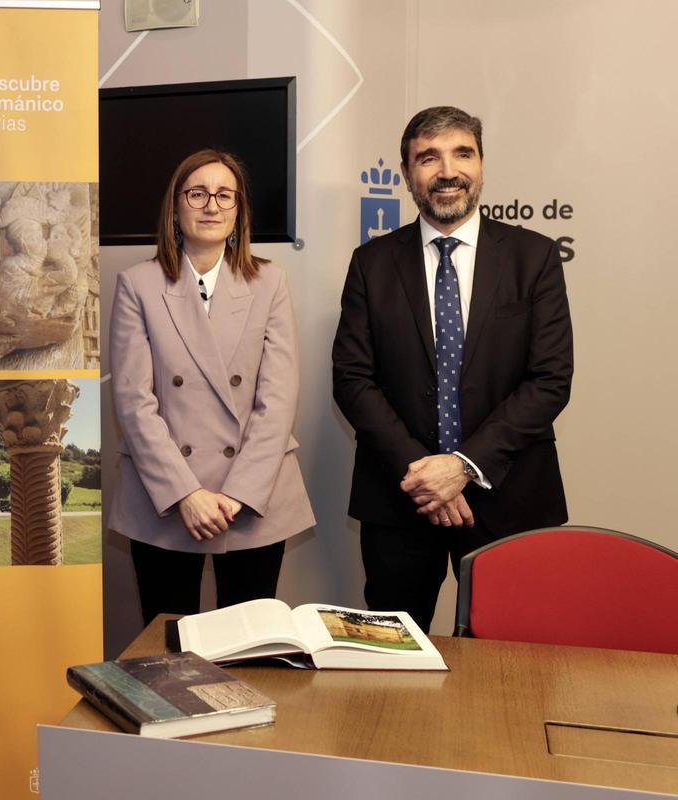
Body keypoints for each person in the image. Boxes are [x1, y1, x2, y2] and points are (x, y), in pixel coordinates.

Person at [332, 106, 573, 631]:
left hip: (509, 498)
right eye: (428, 157)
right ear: (406, 174)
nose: (447, 171)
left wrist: (462, 467)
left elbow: (550, 379)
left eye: (462, 153)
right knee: (394, 663)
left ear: (482, 164)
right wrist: (425, 475)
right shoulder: (370, 264)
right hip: (400, 500)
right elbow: (353, 380)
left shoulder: (533, 258)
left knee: (512, 663)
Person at [108, 149, 315, 624]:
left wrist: (237, 493)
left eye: (225, 195)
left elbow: (278, 400)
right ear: (176, 207)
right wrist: (187, 494)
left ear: (239, 210)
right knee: (167, 656)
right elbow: (134, 402)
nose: (211, 205)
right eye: (197, 193)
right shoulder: (138, 284)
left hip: (253, 498)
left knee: (249, 655)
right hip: (165, 499)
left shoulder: (270, 282)